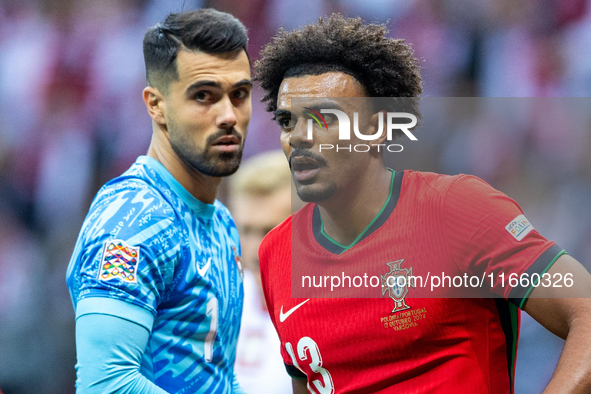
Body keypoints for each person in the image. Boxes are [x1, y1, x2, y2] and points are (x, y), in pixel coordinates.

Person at [254, 14, 591, 393]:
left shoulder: (456, 208)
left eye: (322, 117)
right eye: (286, 121)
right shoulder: (275, 251)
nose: (298, 137)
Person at [66, 9, 252, 393]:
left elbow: (218, 375)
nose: (228, 115)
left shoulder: (221, 224)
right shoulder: (133, 219)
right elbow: (107, 384)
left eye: (240, 95)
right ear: (156, 105)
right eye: (204, 96)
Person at [229, 151, 295, 393]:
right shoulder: (217, 303)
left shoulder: (340, 314)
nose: (256, 250)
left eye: (269, 231)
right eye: (246, 230)